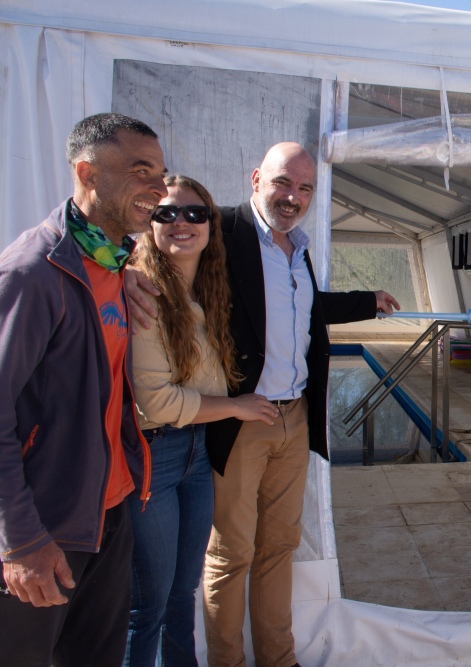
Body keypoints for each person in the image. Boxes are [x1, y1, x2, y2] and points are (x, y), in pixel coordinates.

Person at [129, 142, 399, 667]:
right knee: (230, 555)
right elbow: (165, 255)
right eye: (282, 182)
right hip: (240, 416)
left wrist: (366, 302)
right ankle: (226, 661)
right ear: (256, 179)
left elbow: (298, 307)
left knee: (280, 548)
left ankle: (279, 658)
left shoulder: (296, 247)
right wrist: (125, 277)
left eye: (304, 188)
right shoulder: (220, 229)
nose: (292, 196)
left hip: (292, 417)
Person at [0, 113, 165, 665]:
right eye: (141, 171)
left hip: (107, 512)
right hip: (44, 523)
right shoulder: (32, 273)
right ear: (87, 173)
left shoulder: (114, 264)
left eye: (162, 174)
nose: (159, 190)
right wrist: (20, 540)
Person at [126, 175, 280, 666]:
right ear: (148, 223)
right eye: (166, 213)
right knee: (146, 604)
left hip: (198, 453)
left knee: (181, 594)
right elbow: (156, 401)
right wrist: (237, 407)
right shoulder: (142, 289)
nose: (181, 223)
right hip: (156, 455)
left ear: (212, 225)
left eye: (195, 214)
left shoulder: (212, 287)